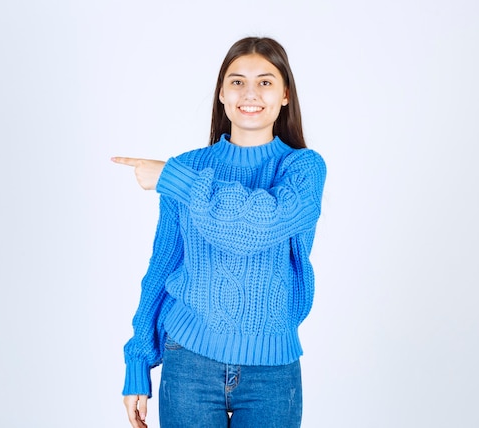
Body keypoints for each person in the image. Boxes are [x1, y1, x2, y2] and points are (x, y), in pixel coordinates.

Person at [112, 36, 326, 428]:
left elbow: (256, 226)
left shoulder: (304, 169)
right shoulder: (188, 166)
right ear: (222, 95)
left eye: (265, 82)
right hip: (189, 360)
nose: (250, 93)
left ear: (284, 96)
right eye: (237, 81)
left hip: (272, 372)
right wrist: (137, 360)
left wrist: (175, 179)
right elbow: (162, 269)